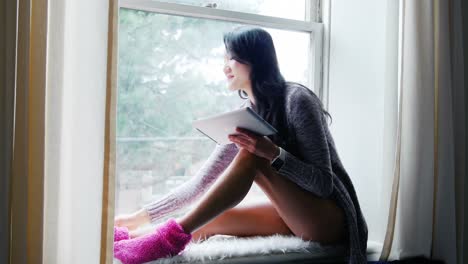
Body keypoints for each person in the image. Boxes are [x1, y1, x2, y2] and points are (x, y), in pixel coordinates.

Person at [113, 26, 368, 264]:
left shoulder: (296, 100)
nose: (225, 67)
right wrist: (136, 219)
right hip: (290, 213)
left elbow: (323, 183)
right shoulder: (246, 114)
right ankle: (133, 240)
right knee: (212, 218)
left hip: (331, 219)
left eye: (231, 58)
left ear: (256, 60)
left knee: (252, 156)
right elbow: (200, 184)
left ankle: (169, 239)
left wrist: (272, 153)